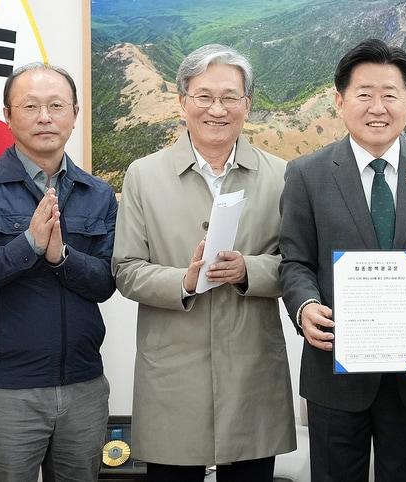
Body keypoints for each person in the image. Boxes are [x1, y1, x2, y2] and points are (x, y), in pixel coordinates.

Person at [279, 38, 406, 482]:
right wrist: (305, 307)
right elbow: (294, 261)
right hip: (336, 371)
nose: (378, 107)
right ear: (340, 101)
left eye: (390, 94)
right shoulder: (306, 174)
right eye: (364, 94)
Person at [112, 44, 295, 481]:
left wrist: (249, 269)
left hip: (251, 371)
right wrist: (186, 280)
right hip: (173, 373)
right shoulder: (143, 174)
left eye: (230, 97)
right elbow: (126, 269)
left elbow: (296, 263)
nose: (217, 109)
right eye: (204, 96)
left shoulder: (281, 174)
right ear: (182, 101)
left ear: (247, 105)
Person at [0, 62, 117, 481]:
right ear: (7, 115)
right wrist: (28, 247)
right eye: (30, 106)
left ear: (74, 113)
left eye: (56, 105)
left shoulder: (99, 193)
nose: (44, 117)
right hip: (7, 392)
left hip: (84, 387)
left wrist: (60, 258)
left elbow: (108, 282)